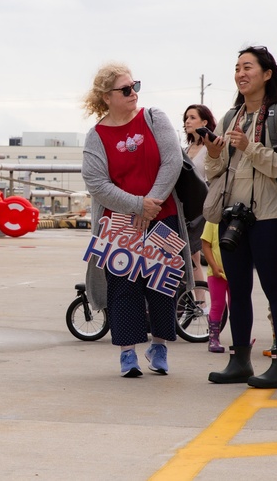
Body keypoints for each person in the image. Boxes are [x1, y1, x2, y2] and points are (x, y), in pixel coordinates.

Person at [80, 63, 185, 378]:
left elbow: (172, 160)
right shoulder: (97, 135)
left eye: (135, 86)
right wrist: (137, 206)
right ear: (106, 97)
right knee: (123, 290)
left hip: (162, 218)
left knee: (163, 288)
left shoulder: (154, 118)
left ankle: (160, 347)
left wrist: (149, 205)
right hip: (119, 225)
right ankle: (128, 354)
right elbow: (96, 183)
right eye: (125, 89)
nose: (133, 93)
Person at [203, 46, 277, 389]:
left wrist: (249, 147)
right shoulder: (231, 118)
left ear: (268, 74)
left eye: (248, 67)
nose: (241, 74)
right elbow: (219, 172)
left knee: (275, 288)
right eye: (237, 68)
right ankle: (239, 360)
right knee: (236, 290)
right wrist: (214, 155)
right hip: (233, 215)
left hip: (272, 213)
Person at [182, 104, 216, 304]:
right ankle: (193, 301)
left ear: (204, 122)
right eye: (186, 117)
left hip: (202, 209)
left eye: (192, 117)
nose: (187, 121)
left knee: (194, 256)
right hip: (187, 208)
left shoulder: (209, 147)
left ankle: (200, 302)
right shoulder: (187, 149)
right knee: (189, 257)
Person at [200, 220, 228, 353]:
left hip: (237, 273)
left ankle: (241, 339)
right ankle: (213, 338)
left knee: (239, 305)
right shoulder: (212, 220)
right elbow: (206, 245)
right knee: (218, 305)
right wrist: (214, 266)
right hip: (216, 273)